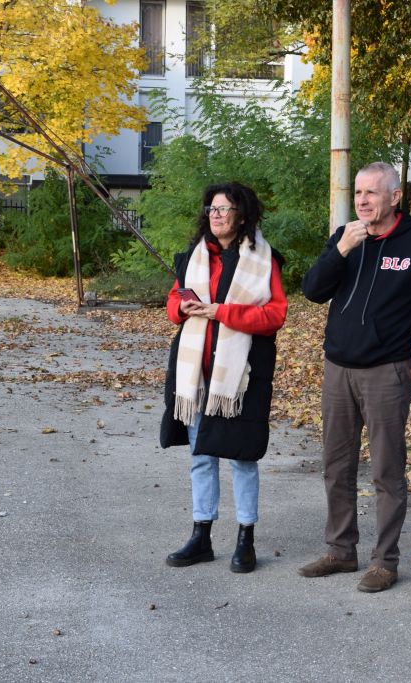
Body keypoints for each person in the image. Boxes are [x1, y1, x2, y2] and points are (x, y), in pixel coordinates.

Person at [298, 162, 411, 592]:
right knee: (336, 466)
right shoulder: (347, 237)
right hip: (338, 369)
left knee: (387, 471)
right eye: (358, 193)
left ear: (394, 196)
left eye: (371, 193)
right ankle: (340, 551)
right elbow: (313, 291)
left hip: (386, 373)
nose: (362, 200)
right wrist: (340, 250)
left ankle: (385, 562)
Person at [159, 182, 287, 574]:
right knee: (201, 456)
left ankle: (246, 538)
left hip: (240, 379)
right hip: (196, 376)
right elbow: (173, 301)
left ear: (242, 216)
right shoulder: (194, 256)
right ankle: (201, 537)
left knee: (242, 457)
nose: (216, 215)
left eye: (224, 209)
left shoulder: (264, 260)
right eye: (211, 209)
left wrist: (221, 312)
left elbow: (275, 315)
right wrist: (183, 308)